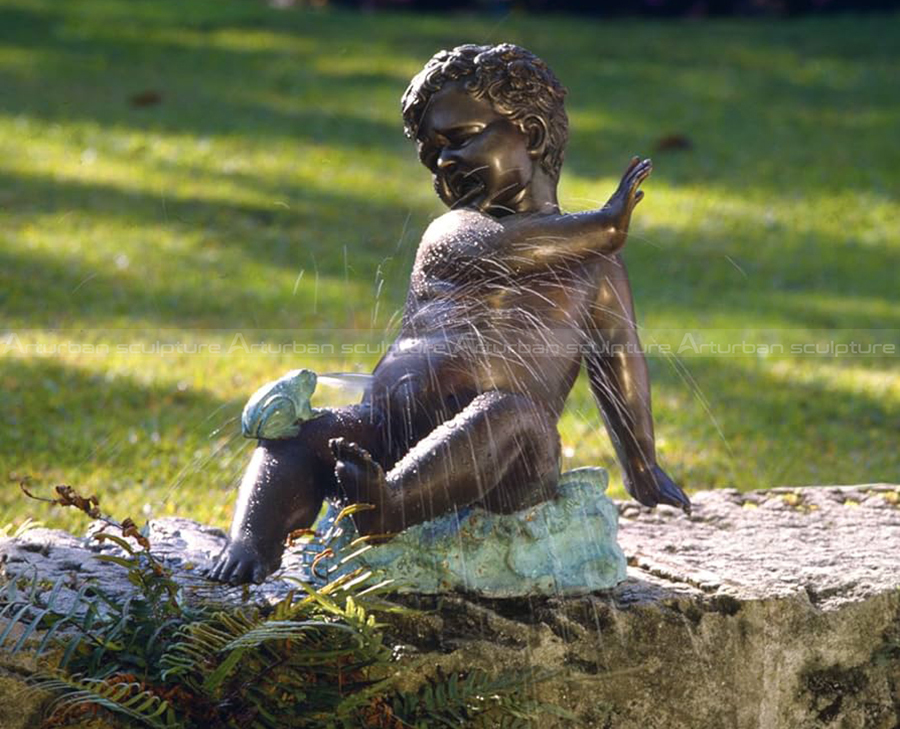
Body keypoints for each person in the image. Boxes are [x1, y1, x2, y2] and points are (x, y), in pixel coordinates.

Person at [210, 43, 689, 585]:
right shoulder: (456, 232)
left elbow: (618, 360)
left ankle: (388, 508)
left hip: (503, 463)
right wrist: (604, 225)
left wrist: (642, 465)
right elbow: (510, 249)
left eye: (458, 140)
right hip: (391, 430)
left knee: (514, 413)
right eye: (430, 152)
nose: (442, 162)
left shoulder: (598, 269)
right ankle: (252, 542)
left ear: (529, 134)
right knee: (302, 438)